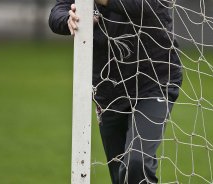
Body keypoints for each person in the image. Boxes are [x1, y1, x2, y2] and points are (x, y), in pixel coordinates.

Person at [49, 0, 182, 183]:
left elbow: (142, 6)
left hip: (154, 82)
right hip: (109, 90)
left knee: (136, 163)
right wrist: (68, 19)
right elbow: (58, 10)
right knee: (121, 176)